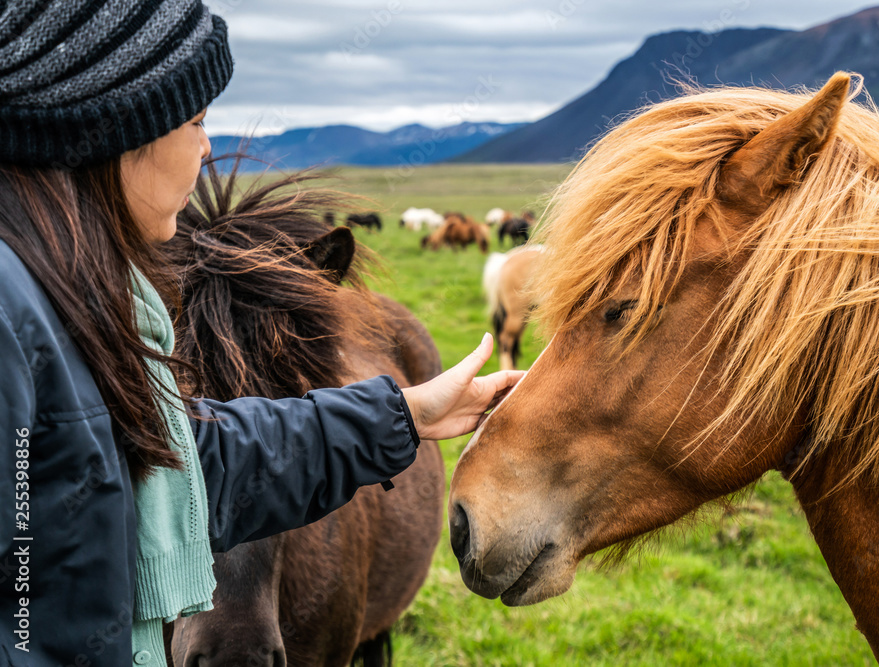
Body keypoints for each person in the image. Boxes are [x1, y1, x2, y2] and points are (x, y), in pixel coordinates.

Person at [0, 2, 524, 665]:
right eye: (195, 121)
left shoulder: (70, 300)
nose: (207, 147)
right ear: (119, 129)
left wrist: (403, 412)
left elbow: (178, 465)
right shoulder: (14, 310)